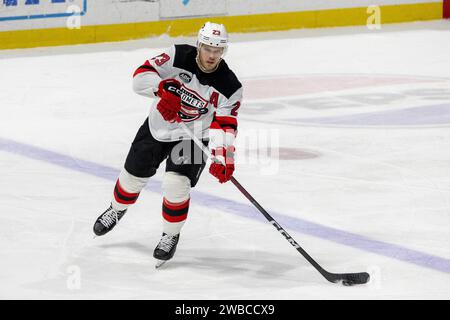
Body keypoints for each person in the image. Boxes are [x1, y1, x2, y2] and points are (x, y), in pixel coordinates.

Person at [93, 22, 243, 266]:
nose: (212, 55)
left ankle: (170, 235)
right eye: (208, 48)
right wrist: (161, 89)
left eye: (218, 50)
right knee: (131, 178)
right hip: (158, 127)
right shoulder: (178, 55)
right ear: (199, 45)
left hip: (193, 136)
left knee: (176, 184)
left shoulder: (230, 86)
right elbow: (140, 77)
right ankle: (117, 208)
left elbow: (226, 124)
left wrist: (223, 157)